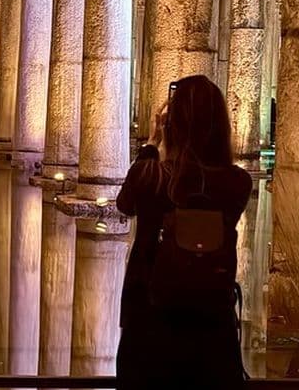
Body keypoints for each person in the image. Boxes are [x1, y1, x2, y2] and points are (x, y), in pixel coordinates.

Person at [116, 75, 252, 389]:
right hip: (212, 319)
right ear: (221, 127)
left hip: (149, 318)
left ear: (170, 125)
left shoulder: (149, 176)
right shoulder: (238, 183)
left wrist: (152, 145)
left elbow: (126, 205)